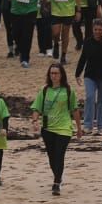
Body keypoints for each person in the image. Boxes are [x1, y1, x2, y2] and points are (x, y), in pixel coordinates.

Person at [33, 65, 79, 196]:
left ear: (62, 75)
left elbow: (74, 110)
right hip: (48, 128)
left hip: (64, 128)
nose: (54, 76)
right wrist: (35, 120)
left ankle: (56, 182)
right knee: (51, 156)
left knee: (59, 154)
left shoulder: (69, 90)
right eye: (52, 73)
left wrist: (79, 129)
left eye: (56, 73)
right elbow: (37, 108)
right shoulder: (44, 90)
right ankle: (58, 176)